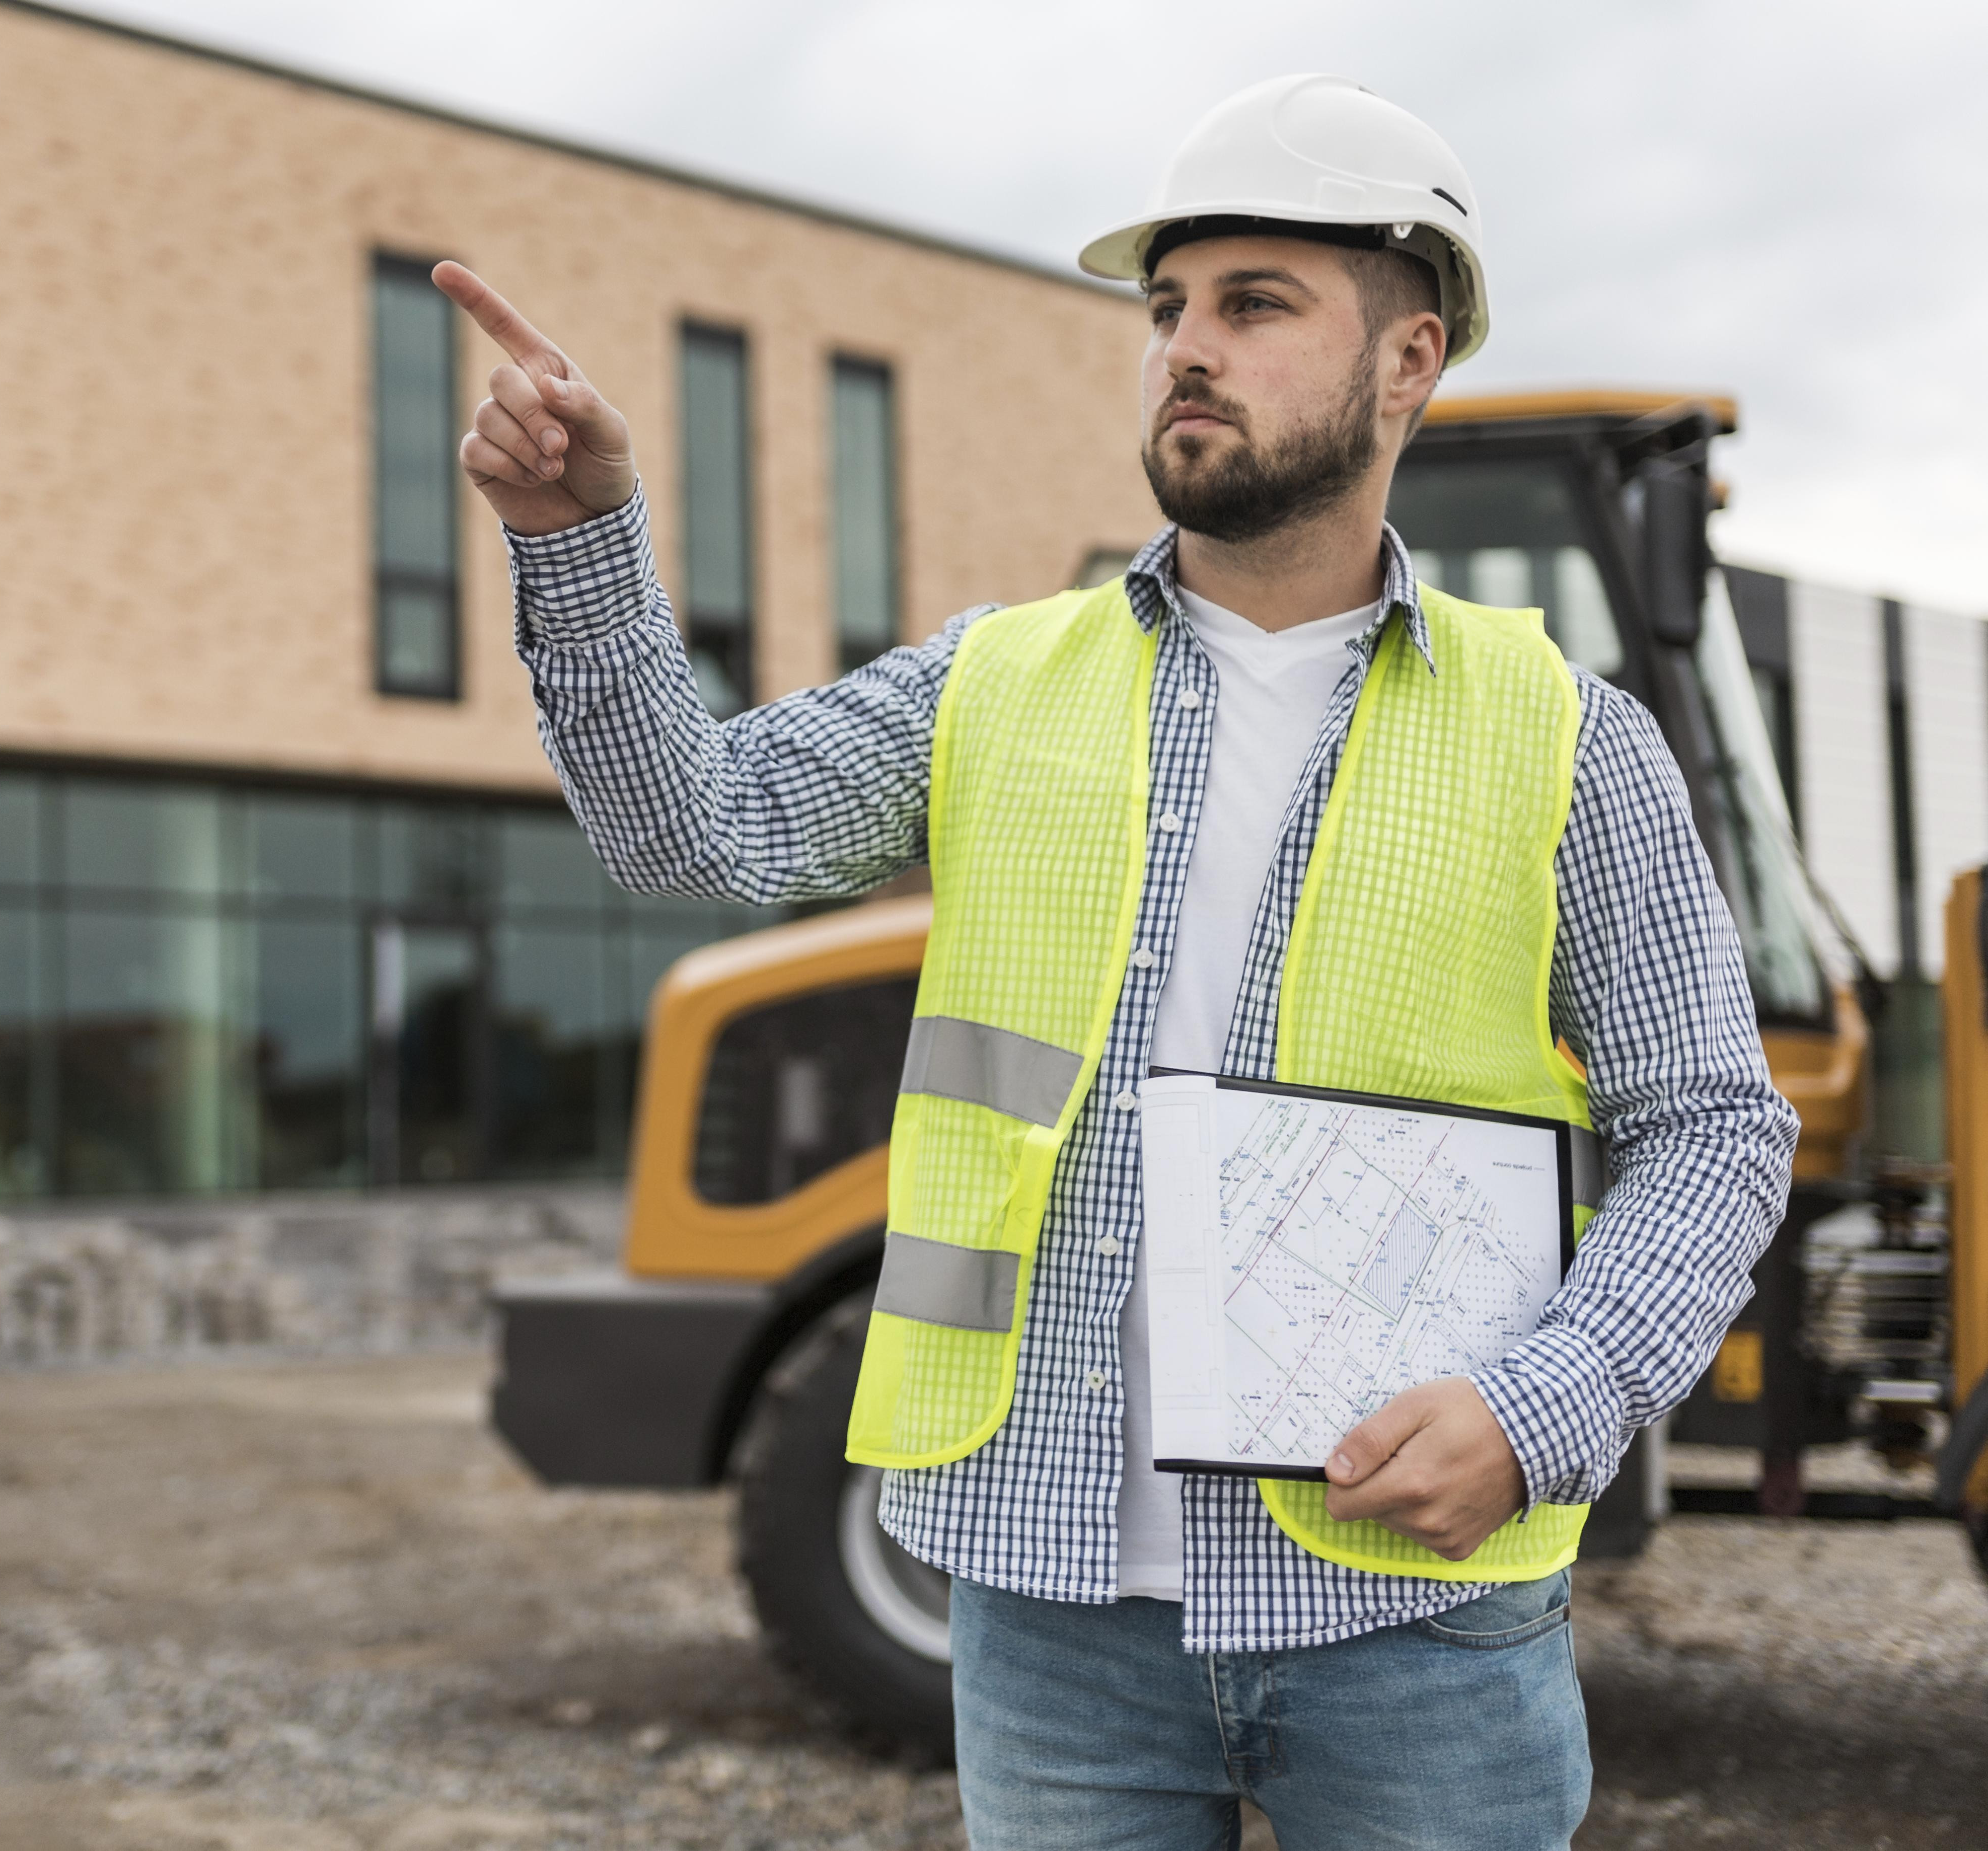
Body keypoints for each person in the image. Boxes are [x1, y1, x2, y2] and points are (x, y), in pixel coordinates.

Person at [437, 71, 1794, 1851]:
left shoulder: (1566, 738)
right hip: (1049, 1604)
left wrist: (1547, 1409)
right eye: (1165, 310)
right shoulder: (993, 681)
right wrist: (578, 542)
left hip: (1416, 1619)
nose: (1183, 351)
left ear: (1407, 364)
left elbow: (1712, 1127)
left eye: (1252, 305)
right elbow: (695, 829)